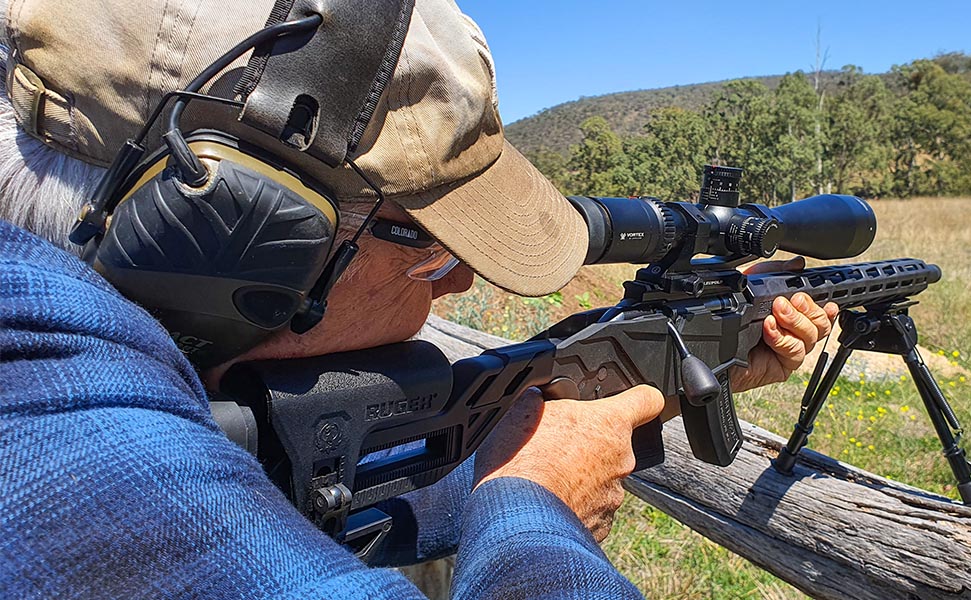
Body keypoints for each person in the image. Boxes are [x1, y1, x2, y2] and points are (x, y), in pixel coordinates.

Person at [0, 0, 838, 597]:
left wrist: (646, 376)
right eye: (430, 246)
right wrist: (538, 514)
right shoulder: (63, 467)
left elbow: (357, 486)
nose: (465, 281)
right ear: (239, 229)